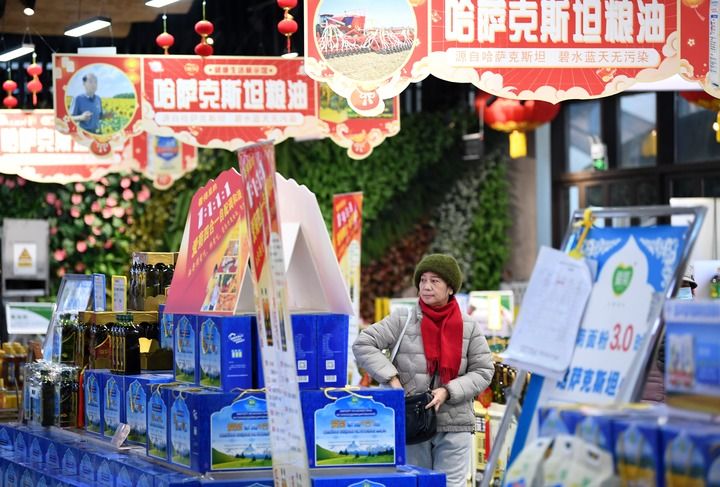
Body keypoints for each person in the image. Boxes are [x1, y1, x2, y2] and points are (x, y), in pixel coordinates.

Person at [353, 254, 494, 487]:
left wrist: (448, 391)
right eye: (422, 280)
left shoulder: (468, 326)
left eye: (435, 281)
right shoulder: (403, 319)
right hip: (412, 419)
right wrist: (391, 378)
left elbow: (484, 370)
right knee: (415, 483)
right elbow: (363, 343)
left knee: (450, 485)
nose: (426, 286)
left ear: (450, 288)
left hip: (455, 422)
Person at [641, 265, 697, 402]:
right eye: (679, 286)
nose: (684, 291)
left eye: (686, 287)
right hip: (659, 394)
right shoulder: (664, 316)